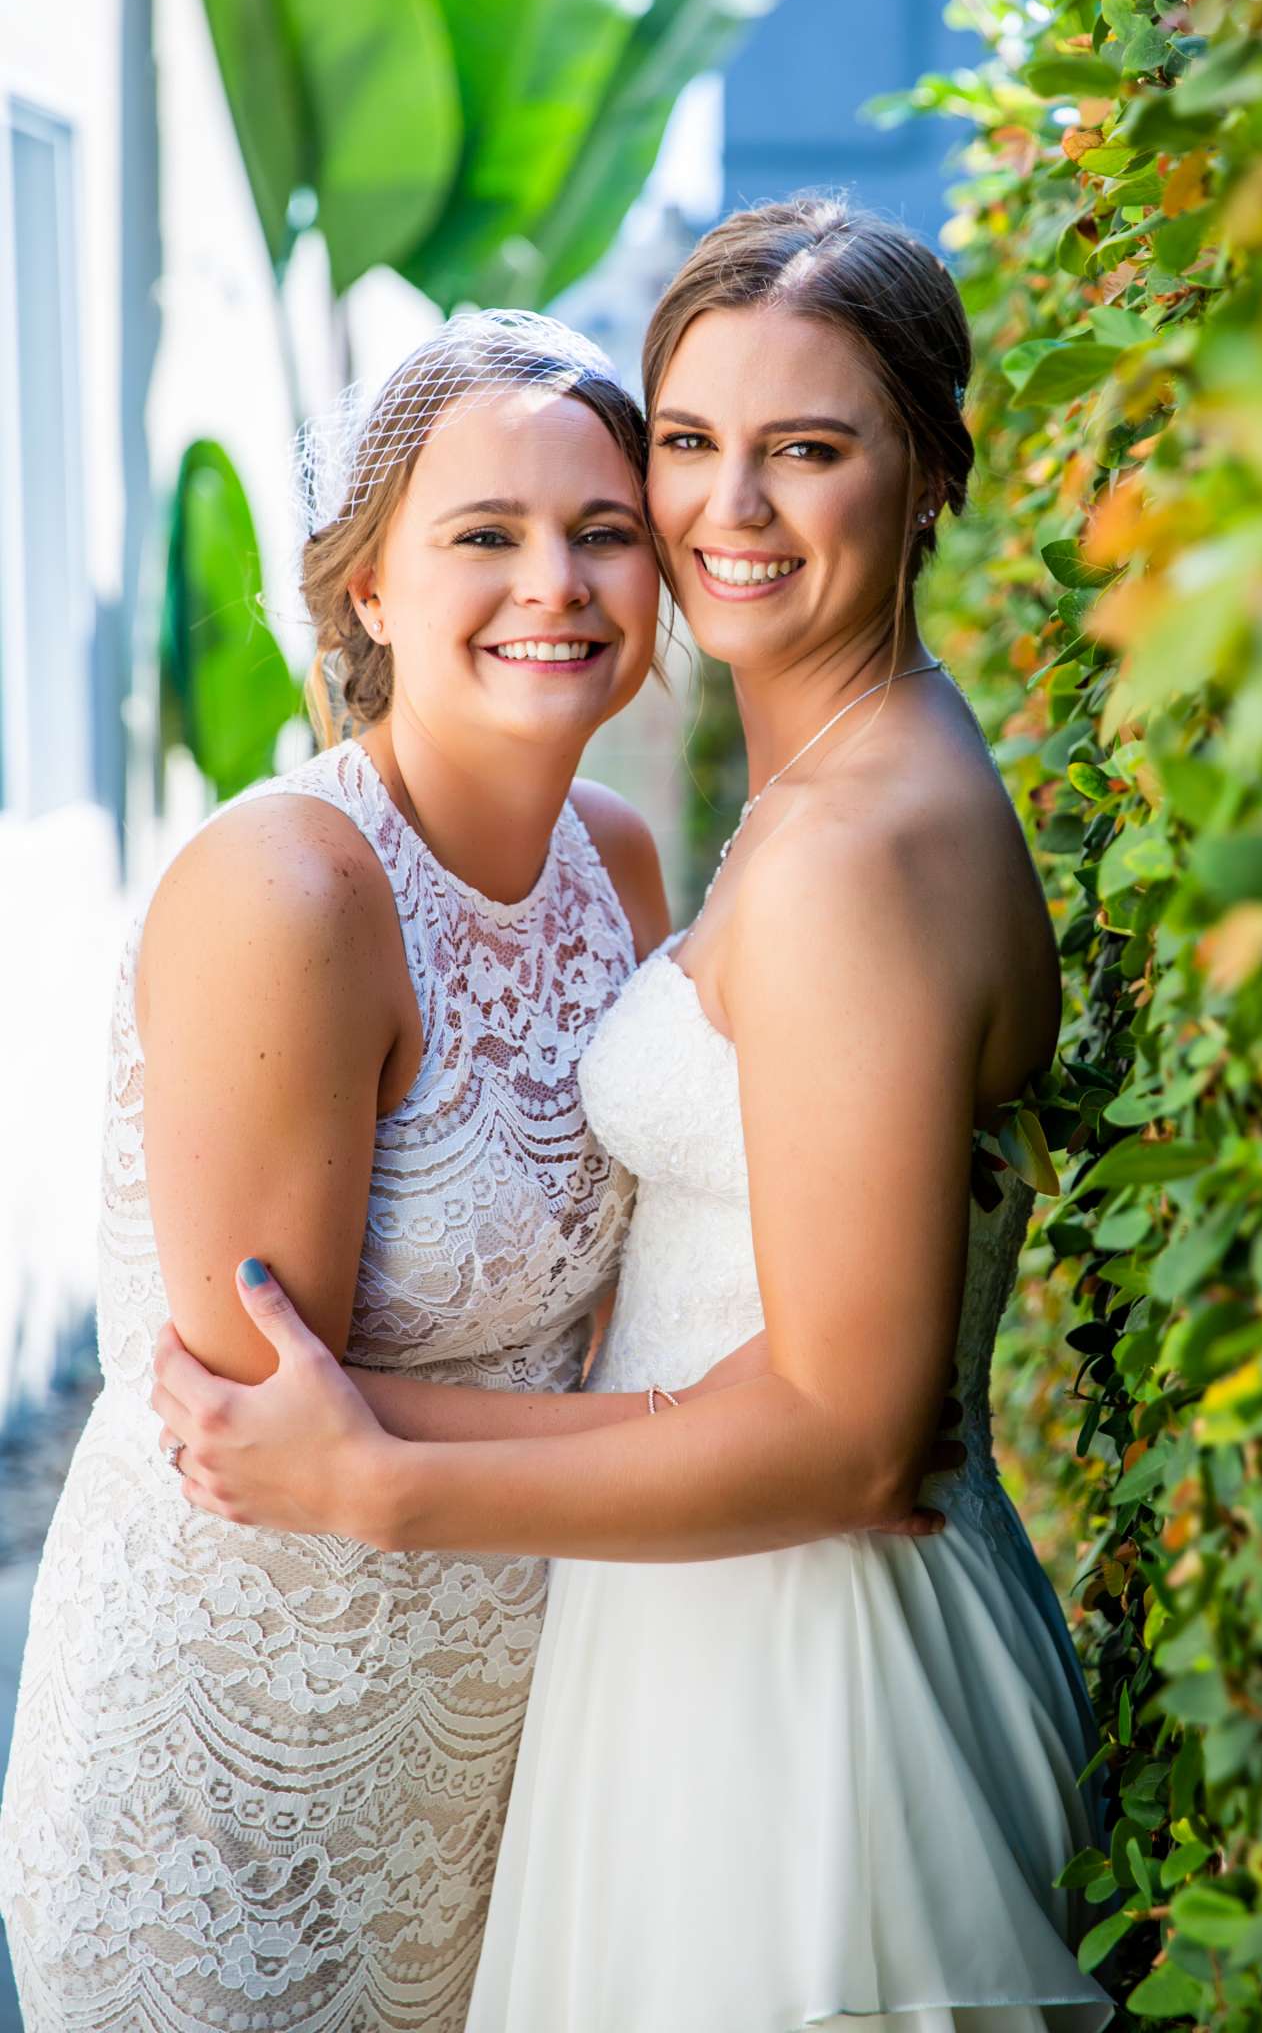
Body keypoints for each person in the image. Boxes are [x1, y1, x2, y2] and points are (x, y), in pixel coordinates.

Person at [151, 201, 1113, 2033]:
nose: (725, 513)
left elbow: (848, 1436)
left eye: (807, 451)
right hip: (691, 1618)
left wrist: (380, 1476)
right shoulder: (844, 765)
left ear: (925, 478)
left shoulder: (852, 849)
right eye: (688, 445)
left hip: (801, 1683)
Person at [0, 315, 675, 2031]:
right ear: (367, 589)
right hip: (238, 1758)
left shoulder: (620, 862)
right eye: (487, 536)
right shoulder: (289, 887)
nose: (561, 583)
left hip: (504, 1743)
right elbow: (264, 1418)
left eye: (605, 532)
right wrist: (743, 1439)